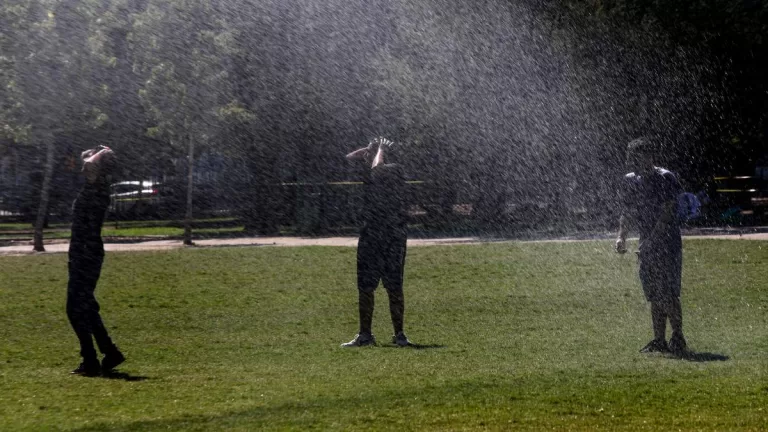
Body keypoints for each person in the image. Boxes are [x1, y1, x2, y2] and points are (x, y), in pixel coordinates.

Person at [615, 137, 688, 355]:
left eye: (641, 156)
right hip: (646, 243)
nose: (637, 161)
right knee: (654, 293)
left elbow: (667, 214)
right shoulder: (630, 181)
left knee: (667, 292)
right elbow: (627, 213)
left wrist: (651, 242)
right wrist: (621, 237)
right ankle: (659, 340)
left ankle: (678, 337)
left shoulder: (665, 178)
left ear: (650, 156)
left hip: (667, 242)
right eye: (634, 157)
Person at [341, 137, 410, 347]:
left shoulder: (394, 169)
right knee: (365, 287)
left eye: (372, 155)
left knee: (394, 287)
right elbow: (347, 159)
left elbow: (378, 170)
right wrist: (369, 148)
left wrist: (380, 149)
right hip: (372, 235)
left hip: (391, 236)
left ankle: (399, 335)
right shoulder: (371, 170)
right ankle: (365, 335)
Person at [67, 145, 125, 375]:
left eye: (88, 163)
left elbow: (91, 163)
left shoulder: (98, 187)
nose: (83, 166)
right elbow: (90, 164)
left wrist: (104, 150)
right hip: (82, 251)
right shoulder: (95, 186)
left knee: (74, 307)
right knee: (86, 306)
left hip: (86, 252)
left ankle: (92, 358)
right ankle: (108, 353)